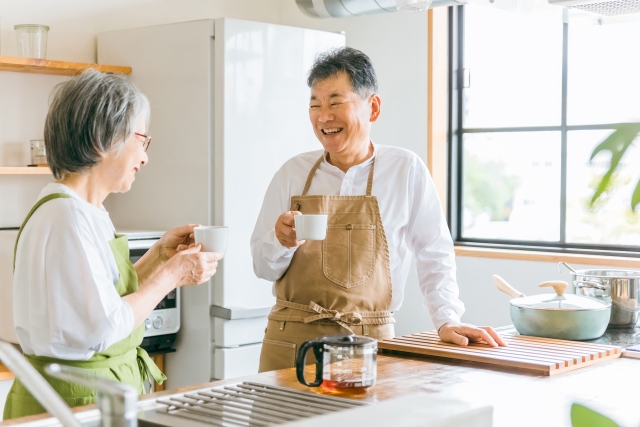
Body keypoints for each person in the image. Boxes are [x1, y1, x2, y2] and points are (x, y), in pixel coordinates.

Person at [251, 47, 506, 372]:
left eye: (335, 102)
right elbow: (262, 267)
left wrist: (446, 320)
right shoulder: (292, 173)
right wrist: (279, 241)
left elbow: (434, 252)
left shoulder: (405, 169)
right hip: (289, 343)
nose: (323, 115)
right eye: (315, 104)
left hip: (368, 343)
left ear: (373, 107)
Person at [3, 70, 222, 420]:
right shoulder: (67, 217)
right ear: (101, 139)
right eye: (141, 139)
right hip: (78, 400)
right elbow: (103, 326)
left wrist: (157, 258)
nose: (145, 157)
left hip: (90, 394)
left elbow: (96, 300)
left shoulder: (87, 212)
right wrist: (170, 277)